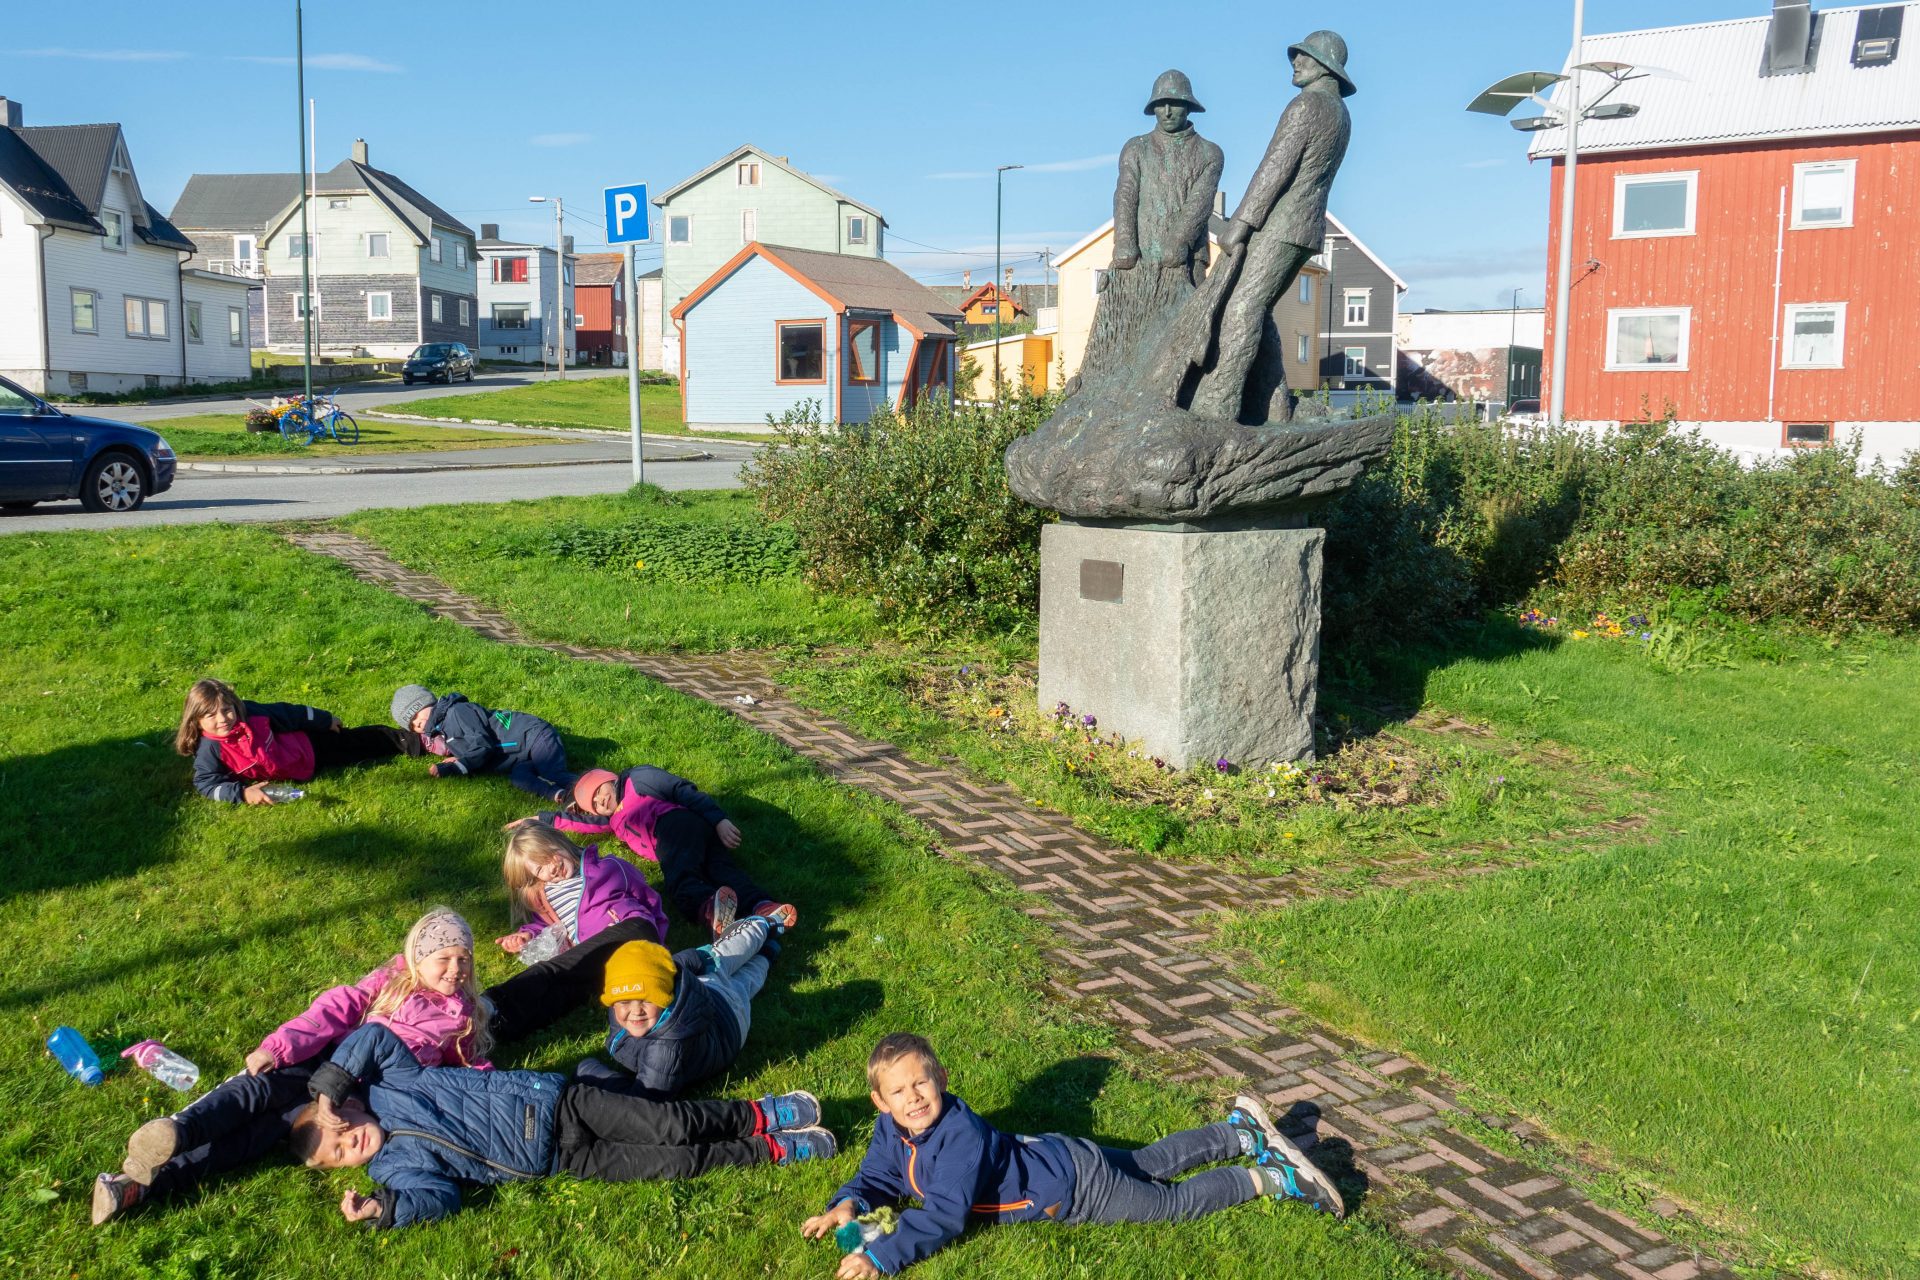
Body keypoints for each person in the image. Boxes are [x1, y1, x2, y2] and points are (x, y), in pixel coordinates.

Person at [800, 1034, 1344, 1276]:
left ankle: (1272, 1176)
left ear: (941, 1078)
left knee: (1170, 1203)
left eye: (922, 1083)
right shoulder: (891, 1129)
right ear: (881, 1102)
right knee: (1148, 1162)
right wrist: (847, 1204)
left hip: (1074, 1189)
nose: (914, 1098)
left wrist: (880, 1257)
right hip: (1060, 1156)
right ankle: (1240, 1132)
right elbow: (878, 1175)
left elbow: (944, 1216)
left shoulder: (959, 1137)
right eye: (898, 1092)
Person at [92, 909, 490, 1225]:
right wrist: (279, 1047)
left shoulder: (462, 1016)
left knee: (254, 1140)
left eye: (464, 959)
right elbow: (332, 1010)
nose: (456, 968)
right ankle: (179, 1132)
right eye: (444, 958)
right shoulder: (391, 982)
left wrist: (491, 1086)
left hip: (357, 1100)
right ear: (417, 959)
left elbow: (462, 1068)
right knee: (255, 1090)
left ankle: (143, 1186)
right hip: (324, 1059)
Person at [291, 1022, 836, 1228]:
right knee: (675, 1162)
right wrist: (385, 1209)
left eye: (339, 1128)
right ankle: (772, 1150)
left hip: (561, 1106)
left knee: (671, 1124)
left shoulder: (394, 1083)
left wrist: (329, 1083)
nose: (349, 1142)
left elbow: (375, 1037)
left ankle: (761, 1114)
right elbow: (441, 1198)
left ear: (350, 1105)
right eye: (340, 1155)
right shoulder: (391, 1171)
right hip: (562, 1160)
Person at [1173, 31, 1355, 425]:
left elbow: (1275, 169)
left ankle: (1216, 407)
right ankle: (1273, 406)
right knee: (1259, 309)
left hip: (1281, 225)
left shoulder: (1307, 105)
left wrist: (1240, 223)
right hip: (1305, 228)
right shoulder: (1341, 113)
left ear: (1325, 66)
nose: (1295, 62)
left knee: (1241, 310)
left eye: (1304, 57)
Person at [1075, 69, 1224, 395]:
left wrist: (1179, 242)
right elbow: (1125, 195)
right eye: (1161, 104)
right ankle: (1097, 382)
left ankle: (1182, 390)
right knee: (1122, 325)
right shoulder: (1136, 148)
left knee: (1187, 326)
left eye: (1175, 104)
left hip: (1184, 260)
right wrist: (1124, 242)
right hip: (1139, 257)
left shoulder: (1209, 153)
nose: (1167, 111)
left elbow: (1200, 203)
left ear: (1189, 107)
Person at [543, 766, 795, 936]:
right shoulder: (613, 820)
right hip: (690, 837)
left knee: (679, 876)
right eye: (595, 805)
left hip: (674, 826)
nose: (600, 801)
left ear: (609, 779)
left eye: (599, 792)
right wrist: (544, 820)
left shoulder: (636, 780)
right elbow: (585, 823)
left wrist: (719, 819)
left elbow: (681, 789)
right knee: (723, 870)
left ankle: (707, 907)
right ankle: (763, 907)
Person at [480, 822, 670, 1043]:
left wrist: (657, 935)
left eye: (549, 856)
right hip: (598, 961)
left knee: (554, 969)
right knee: (564, 990)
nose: (551, 868)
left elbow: (648, 898)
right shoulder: (545, 896)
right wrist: (527, 935)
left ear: (560, 842)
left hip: (631, 933)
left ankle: (490, 1002)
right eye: (540, 869)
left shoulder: (609, 867)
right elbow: (543, 926)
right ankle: (495, 1027)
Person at [594, 918, 783, 1098]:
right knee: (724, 955)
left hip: (731, 1025)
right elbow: (679, 962)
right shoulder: (665, 976)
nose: (636, 1011)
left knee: (743, 979)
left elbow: (644, 1100)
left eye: (647, 1000)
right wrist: (704, 956)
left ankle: (766, 932)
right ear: (612, 1001)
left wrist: (589, 1070)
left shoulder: (665, 1050)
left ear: (665, 994)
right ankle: (764, 933)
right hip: (722, 1011)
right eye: (625, 1002)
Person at [178, 678, 418, 805]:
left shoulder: (251, 713)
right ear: (196, 720)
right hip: (298, 767)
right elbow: (207, 784)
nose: (222, 719)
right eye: (210, 715)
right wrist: (242, 794)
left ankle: (413, 740)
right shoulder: (210, 750)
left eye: (226, 710)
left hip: (310, 745)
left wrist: (325, 720)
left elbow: (289, 714)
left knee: (361, 743)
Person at [389, 684, 575, 803]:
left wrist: (454, 768)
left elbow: (482, 746)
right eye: (411, 725)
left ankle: (590, 789)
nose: (417, 724)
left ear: (427, 703)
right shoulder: (443, 731)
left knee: (552, 772)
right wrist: (458, 759)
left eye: (415, 715)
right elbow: (471, 749)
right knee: (520, 778)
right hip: (520, 755)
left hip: (534, 735)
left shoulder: (458, 711)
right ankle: (561, 796)